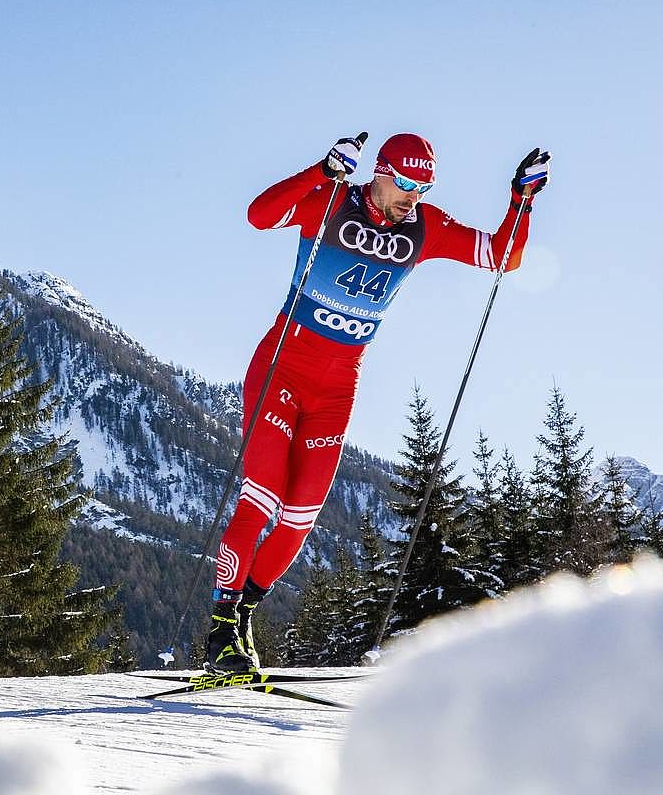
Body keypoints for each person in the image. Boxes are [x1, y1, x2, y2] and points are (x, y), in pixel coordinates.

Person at [204, 132, 550, 673]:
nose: (414, 196)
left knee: (299, 517)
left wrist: (520, 201)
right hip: (282, 367)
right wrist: (322, 171)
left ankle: (243, 616)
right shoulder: (331, 200)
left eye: (424, 187)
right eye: (407, 184)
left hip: (338, 385)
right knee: (262, 496)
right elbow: (258, 215)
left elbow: (503, 257)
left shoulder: (425, 227)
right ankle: (220, 630)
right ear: (380, 172)